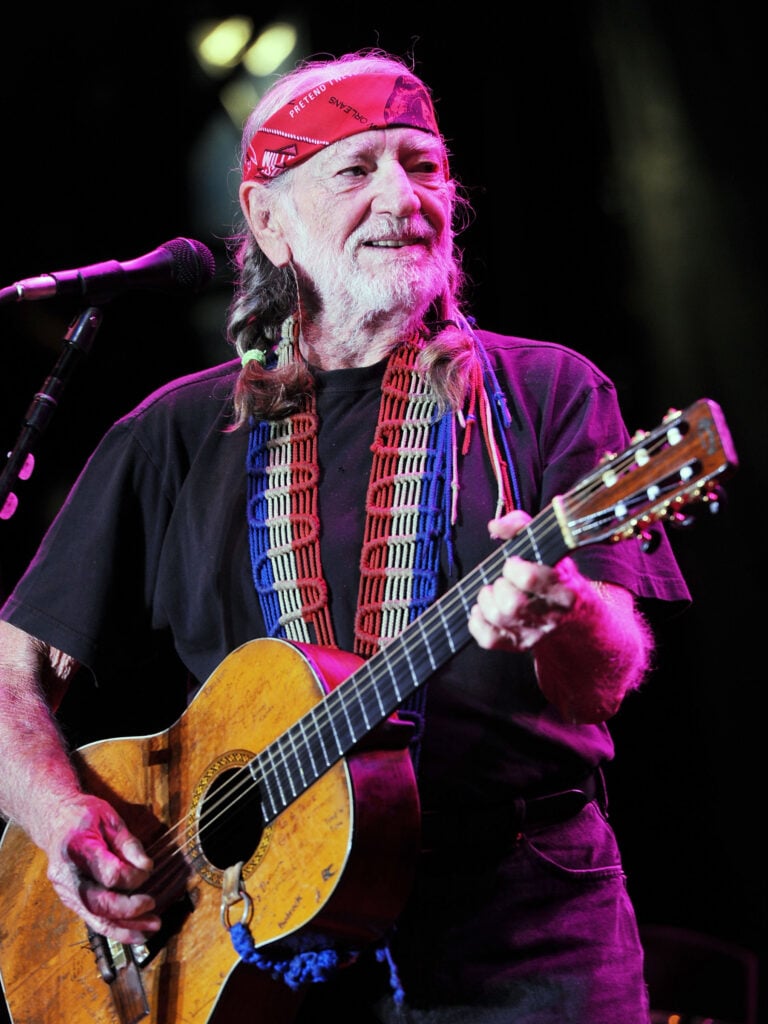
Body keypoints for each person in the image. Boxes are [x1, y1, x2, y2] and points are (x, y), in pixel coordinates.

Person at [0, 48, 691, 1024]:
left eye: (424, 164)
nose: (404, 197)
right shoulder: (174, 432)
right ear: (267, 218)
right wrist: (60, 815)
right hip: (252, 963)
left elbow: (605, 674)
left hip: (522, 942)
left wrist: (567, 616)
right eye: (356, 170)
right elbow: (10, 678)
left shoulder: (547, 391)